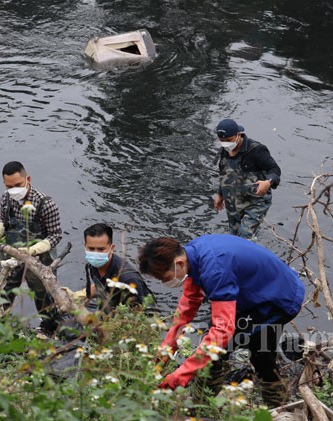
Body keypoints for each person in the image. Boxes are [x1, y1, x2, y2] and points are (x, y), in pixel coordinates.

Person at [138, 234, 304, 407]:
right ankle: (278, 403)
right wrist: (166, 350)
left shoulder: (215, 268)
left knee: (223, 351)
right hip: (256, 292)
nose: (166, 282)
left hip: (278, 300)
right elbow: (188, 305)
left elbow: (222, 331)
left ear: (178, 263)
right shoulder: (192, 254)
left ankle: (200, 404)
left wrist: (181, 374)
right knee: (256, 352)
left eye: (165, 278)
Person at [0, 161, 63, 333]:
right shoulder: (6, 198)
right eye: (9, 186)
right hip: (12, 255)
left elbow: (56, 235)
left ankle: (49, 328)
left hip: (39, 258)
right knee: (5, 289)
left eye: (18, 185)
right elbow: (3, 220)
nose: (14, 190)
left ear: (28, 179)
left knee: (42, 294)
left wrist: (34, 250)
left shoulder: (45, 204)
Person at [212, 118, 281, 239]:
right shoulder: (224, 151)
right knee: (234, 236)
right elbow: (224, 173)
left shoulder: (256, 150)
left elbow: (275, 170)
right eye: (222, 141)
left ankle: (253, 257)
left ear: (238, 135)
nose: (225, 144)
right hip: (233, 203)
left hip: (255, 202)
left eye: (228, 140)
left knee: (245, 236)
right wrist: (220, 194)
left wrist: (268, 182)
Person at [83, 223, 155, 312]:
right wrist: (79, 295)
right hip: (111, 309)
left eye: (101, 249)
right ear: (85, 246)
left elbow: (139, 316)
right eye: (91, 249)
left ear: (112, 248)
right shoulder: (93, 266)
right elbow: (102, 285)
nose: (95, 254)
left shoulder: (128, 279)